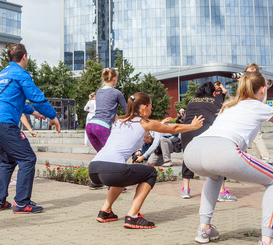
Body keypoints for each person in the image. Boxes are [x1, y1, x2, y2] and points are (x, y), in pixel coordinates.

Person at [183, 71, 273, 245]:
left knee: (215, 176)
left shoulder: (229, 105)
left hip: (194, 151)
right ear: (262, 89)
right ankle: (268, 244)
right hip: (222, 150)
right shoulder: (258, 106)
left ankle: (204, 229)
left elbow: (254, 112)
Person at [90, 92, 203, 228]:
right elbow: (174, 128)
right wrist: (193, 126)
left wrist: (159, 124)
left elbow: (134, 131)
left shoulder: (119, 121)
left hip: (95, 168)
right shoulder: (144, 122)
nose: (151, 109)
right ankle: (133, 216)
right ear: (144, 107)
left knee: (120, 177)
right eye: (150, 106)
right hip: (112, 169)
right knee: (150, 172)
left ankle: (105, 211)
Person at [0, 43, 60, 214]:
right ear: (24, 56)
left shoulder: (2, 74)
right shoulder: (20, 74)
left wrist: (34, 112)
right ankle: (22, 202)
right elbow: (36, 97)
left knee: (7, 161)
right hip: (4, 123)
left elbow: (12, 101)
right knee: (27, 158)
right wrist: (52, 115)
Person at [85, 67, 128, 190]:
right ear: (114, 79)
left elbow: (106, 110)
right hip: (102, 127)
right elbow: (127, 110)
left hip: (91, 126)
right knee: (113, 155)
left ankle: (96, 182)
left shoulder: (99, 92)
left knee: (102, 154)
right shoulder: (117, 93)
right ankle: (115, 183)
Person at [179, 82, 222, 200]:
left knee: (187, 158)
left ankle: (186, 190)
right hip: (205, 130)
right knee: (215, 159)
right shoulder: (216, 101)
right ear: (213, 92)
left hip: (187, 130)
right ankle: (220, 192)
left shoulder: (192, 101)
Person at [243, 64, 272, 164]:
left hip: (255, 109)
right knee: (255, 135)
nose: (247, 74)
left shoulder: (258, 81)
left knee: (256, 137)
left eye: (248, 72)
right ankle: (258, 159)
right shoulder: (260, 80)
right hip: (257, 108)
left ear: (254, 70)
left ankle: (266, 159)